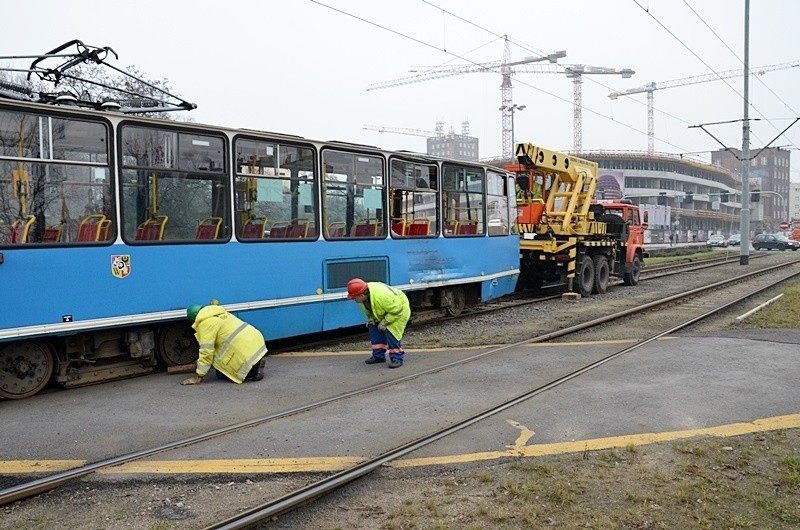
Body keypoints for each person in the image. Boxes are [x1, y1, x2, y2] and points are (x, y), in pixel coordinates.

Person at [180, 302, 267, 385]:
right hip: (256, 339)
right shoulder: (220, 313)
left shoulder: (205, 324)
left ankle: (254, 372)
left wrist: (200, 374)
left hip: (243, 347)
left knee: (221, 374)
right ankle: (256, 363)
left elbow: (206, 351)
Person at [346, 278, 411, 369]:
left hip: (399, 311)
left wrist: (385, 322)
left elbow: (397, 310)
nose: (353, 299)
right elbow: (370, 309)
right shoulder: (363, 297)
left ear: (361, 295)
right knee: (374, 329)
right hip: (384, 311)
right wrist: (371, 318)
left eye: (354, 297)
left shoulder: (382, 296)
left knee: (392, 333)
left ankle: (397, 358)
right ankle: (378, 356)